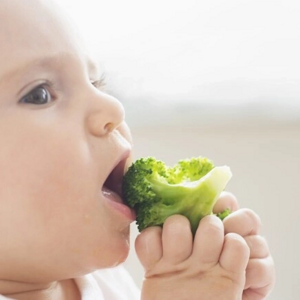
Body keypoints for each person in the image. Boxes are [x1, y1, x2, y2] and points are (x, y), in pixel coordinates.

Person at [0, 0, 275, 299]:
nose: (113, 108)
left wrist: (217, 285)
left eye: (96, 82)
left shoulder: (108, 284)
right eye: (39, 94)